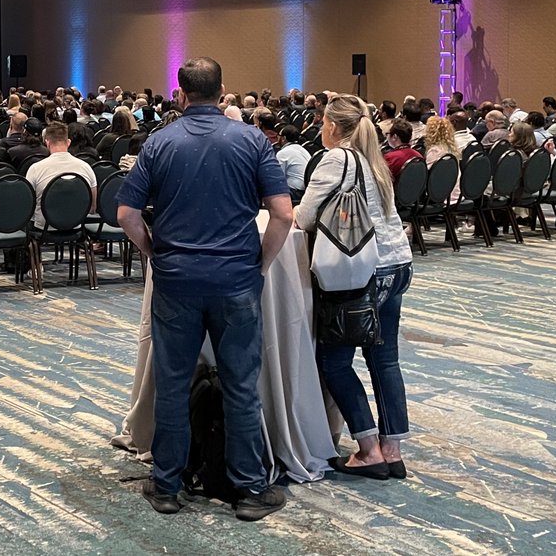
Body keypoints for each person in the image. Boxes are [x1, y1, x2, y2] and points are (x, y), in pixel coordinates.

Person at [116, 57, 292, 522]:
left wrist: (154, 252)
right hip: (235, 280)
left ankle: (168, 485)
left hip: (176, 280)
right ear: (222, 91)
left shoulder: (159, 142)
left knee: (173, 385)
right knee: (241, 385)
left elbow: (126, 215)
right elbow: (284, 214)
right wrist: (261, 263)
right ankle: (250, 488)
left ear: (180, 93)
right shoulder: (252, 139)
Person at [294, 94, 413, 482]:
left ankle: (367, 449)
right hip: (397, 265)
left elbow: (306, 216)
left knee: (335, 363)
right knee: (385, 359)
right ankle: (392, 449)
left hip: (361, 272)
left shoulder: (336, 159)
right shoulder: (374, 159)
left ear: (331, 125)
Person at [24, 122, 98, 230]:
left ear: (47, 143)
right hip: (76, 225)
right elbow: (92, 208)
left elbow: (27, 206)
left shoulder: (35, 169)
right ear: (68, 142)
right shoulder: (86, 167)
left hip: (44, 227)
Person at [422, 116, 462, 203]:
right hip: (456, 194)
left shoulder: (435, 151)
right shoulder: (452, 149)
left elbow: (428, 178)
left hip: (439, 197)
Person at [275, 124, 310, 203]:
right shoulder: (303, 150)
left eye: (279, 135)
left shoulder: (283, 153)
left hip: (294, 192)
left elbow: (278, 178)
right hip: (307, 191)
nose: (277, 138)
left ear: (283, 138)